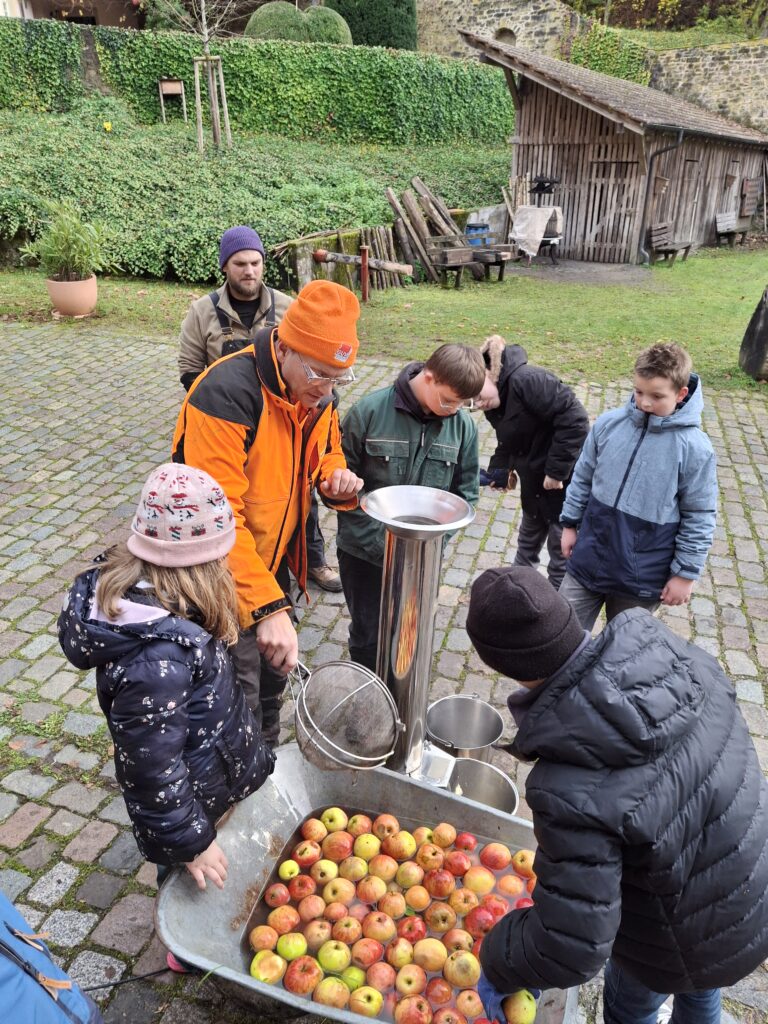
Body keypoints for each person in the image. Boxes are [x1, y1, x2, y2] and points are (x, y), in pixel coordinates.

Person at [465, 566, 768, 1024]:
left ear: (501, 665)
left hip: (675, 932)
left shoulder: (567, 785)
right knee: (705, 979)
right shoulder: (679, 656)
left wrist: (499, 957)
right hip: (750, 886)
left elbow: (573, 945)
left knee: (633, 1008)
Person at [57, 464, 275, 893]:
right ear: (202, 564)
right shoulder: (156, 660)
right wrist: (191, 844)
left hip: (210, 778)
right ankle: (180, 949)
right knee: (192, 882)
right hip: (193, 807)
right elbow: (151, 771)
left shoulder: (173, 614)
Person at [171, 279, 364, 746]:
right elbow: (215, 520)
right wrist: (267, 609)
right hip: (212, 571)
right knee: (235, 685)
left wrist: (336, 477)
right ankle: (226, 778)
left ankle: (265, 753)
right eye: (321, 374)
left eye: (340, 379)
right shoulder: (224, 394)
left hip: (272, 560)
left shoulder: (317, 396)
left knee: (275, 674)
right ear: (285, 349)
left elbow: (326, 451)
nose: (328, 390)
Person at [177, 225, 341, 592]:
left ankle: (312, 560)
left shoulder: (288, 307)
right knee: (232, 504)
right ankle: (241, 577)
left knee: (299, 495)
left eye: (255, 262)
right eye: (239, 263)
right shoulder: (202, 311)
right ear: (225, 266)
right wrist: (227, 403)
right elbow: (189, 368)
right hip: (229, 420)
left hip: (284, 414)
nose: (248, 270)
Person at [337, 344, 485, 670]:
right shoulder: (368, 412)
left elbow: (466, 494)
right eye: (448, 400)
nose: (454, 410)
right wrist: (383, 544)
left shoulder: (463, 427)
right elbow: (337, 490)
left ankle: (401, 700)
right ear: (428, 377)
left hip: (421, 560)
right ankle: (369, 697)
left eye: (463, 404)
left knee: (407, 635)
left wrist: (430, 544)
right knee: (369, 635)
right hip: (363, 554)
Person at [559, 342, 718, 630]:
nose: (645, 403)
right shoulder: (609, 425)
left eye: (657, 396)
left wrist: (685, 573)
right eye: (639, 391)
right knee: (560, 636)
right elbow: (582, 477)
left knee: (624, 655)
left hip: (641, 576)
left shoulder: (695, 449)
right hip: (588, 558)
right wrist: (570, 524)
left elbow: (700, 514)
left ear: (681, 394)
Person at [475, 334, 589, 589]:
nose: (478, 404)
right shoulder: (494, 402)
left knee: (560, 556)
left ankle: (559, 612)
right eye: (471, 402)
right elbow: (508, 440)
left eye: (477, 395)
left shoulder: (529, 381)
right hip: (534, 484)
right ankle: (518, 598)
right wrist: (499, 470)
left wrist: (556, 472)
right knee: (526, 546)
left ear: (488, 374)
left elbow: (576, 420)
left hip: (562, 487)